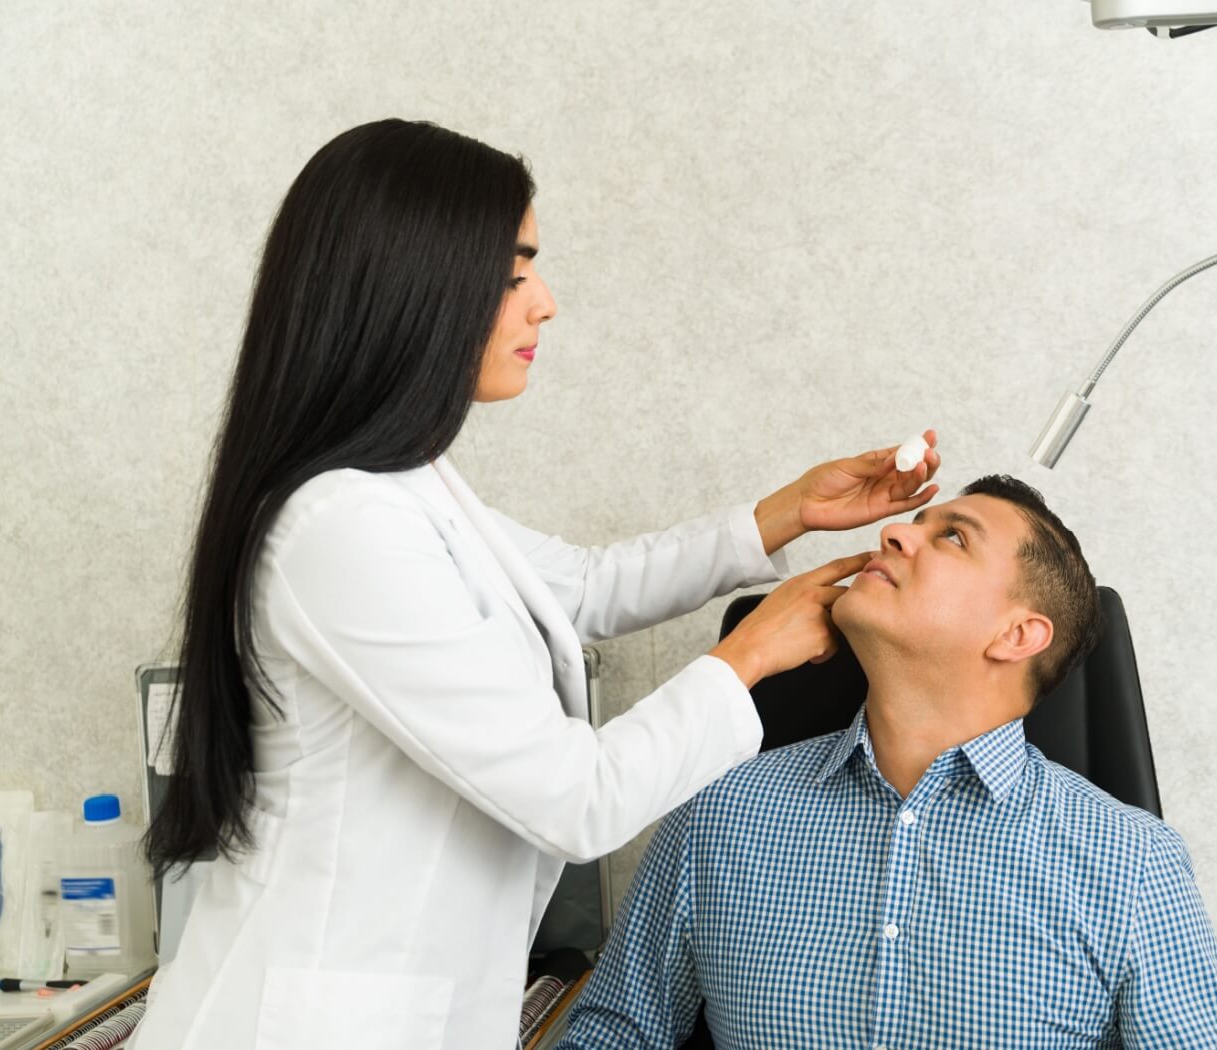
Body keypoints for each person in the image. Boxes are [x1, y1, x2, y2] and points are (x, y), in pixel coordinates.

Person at [131, 119, 942, 1050]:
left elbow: (584, 586)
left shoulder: (404, 487)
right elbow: (577, 798)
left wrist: (787, 512)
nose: (544, 303)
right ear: (416, 288)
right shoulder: (341, 527)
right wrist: (751, 652)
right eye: (515, 273)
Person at [558, 475, 1217, 1049]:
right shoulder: (719, 811)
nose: (893, 534)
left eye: (951, 536)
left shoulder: (1132, 863)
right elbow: (614, 1033)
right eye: (914, 523)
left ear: (1018, 634)